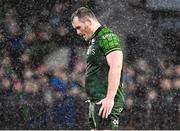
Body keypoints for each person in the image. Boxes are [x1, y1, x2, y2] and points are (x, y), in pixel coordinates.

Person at [71, 7, 124, 130]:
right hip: (96, 101)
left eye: (78, 27)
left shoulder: (107, 37)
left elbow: (116, 65)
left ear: (89, 22)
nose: (77, 32)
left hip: (105, 102)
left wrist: (110, 98)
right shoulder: (94, 40)